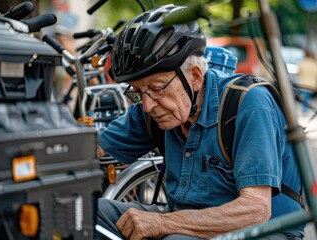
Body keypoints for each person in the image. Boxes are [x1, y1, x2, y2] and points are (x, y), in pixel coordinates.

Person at [96, 5, 305, 240]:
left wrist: (163, 223)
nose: (147, 105)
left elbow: (255, 209)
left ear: (194, 77)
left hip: (264, 232)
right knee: (88, 215)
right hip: (186, 219)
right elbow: (94, 148)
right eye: (137, 92)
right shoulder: (156, 108)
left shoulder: (248, 104)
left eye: (156, 89)